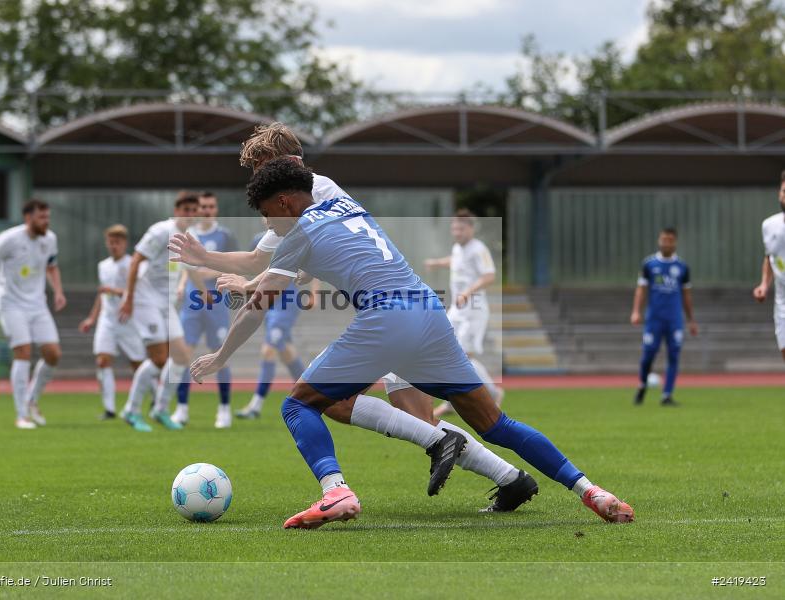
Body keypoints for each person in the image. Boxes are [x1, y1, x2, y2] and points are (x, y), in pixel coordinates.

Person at [175, 158, 634, 529]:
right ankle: (592, 491)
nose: (268, 224)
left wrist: (221, 356)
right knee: (496, 423)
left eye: (266, 213)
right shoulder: (342, 201)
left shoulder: (295, 231)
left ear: (284, 201)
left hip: (386, 319)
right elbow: (271, 258)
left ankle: (337, 491)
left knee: (298, 405)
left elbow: (258, 306)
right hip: (428, 313)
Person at [171, 122, 538, 513]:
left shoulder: (315, 189)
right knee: (407, 415)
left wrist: (253, 291)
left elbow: (291, 261)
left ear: (280, 162)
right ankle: (510, 479)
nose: (257, 176)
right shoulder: (286, 201)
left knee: (328, 403)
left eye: (259, 166)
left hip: (389, 311)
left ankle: (344, 488)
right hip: (393, 309)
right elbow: (262, 259)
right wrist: (209, 260)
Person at [0, 199, 65, 429]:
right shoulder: (8, 239)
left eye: (48, 217)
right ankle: (22, 415)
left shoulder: (50, 239)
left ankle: (32, 399)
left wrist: (58, 291)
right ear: (28, 218)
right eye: (41, 217)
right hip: (11, 304)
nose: (46, 221)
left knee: (53, 354)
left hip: (38, 304)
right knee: (23, 352)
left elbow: (52, 265)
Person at [118, 192, 198, 432]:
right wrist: (129, 297)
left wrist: (204, 291)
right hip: (145, 299)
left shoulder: (188, 238)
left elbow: (189, 269)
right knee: (159, 358)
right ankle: (131, 411)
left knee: (182, 356)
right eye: (186, 210)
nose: (190, 215)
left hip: (166, 304)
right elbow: (135, 261)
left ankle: (160, 409)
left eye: (194, 211)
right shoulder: (161, 231)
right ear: (176, 210)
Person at [225, 222, 318, 419]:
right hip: (267, 302)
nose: (267, 217)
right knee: (285, 351)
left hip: (287, 302)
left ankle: (256, 406)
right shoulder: (260, 240)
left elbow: (313, 263)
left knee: (269, 349)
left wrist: (314, 293)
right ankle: (312, 396)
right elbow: (249, 265)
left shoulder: (295, 237)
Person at [425, 209, 504, 417]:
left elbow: (489, 276)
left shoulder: (479, 249)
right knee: (447, 349)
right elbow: (455, 260)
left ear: (470, 228)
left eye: (460, 228)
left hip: (473, 309)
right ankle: (455, 400)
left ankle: (492, 393)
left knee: (462, 356)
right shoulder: (458, 249)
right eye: (454, 228)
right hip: (458, 308)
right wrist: (436, 263)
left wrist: (468, 292)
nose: (456, 232)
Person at [172, 191, 239, 428]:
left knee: (220, 356)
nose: (207, 210)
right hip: (192, 303)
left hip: (216, 303)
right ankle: (181, 409)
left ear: (216, 209)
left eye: (211, 206)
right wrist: (182, 285)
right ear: (197, 209)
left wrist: (210, 270)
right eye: (203, 206)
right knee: (182, 355)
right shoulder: (189, 236)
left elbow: (234, 266)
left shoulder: (225, 236)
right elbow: (184, 268)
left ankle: (224, 409)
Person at [78, 225, 147, 419]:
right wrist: (92, 317)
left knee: (138, 365)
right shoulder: (103, 265)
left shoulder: (132, 264)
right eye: (111, 242)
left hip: (127, 320)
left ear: (125, 243)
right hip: (107, 320)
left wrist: (114, 291)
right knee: (102, 360)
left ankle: (153, 400)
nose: (114, 246)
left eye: (117, 242)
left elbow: (137, 292)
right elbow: (102, 294)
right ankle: (109, 408)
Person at [630, 227, 698, 406]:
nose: (666, 243)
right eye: (663, 239)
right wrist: (636, 311)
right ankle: (642, 384)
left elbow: (686, 296)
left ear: (675, 242)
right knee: (648, 355)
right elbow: (641, 290)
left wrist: (691, 320)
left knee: (674, 355)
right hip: (654, 319)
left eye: (670, 240)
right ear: (659, 241)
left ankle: (666, 394)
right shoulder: (649, 264)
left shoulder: (682, 267)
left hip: (674, 319)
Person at [753, 170, 785, 363]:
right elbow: (770, 257)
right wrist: (764, 284)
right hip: (782, 302)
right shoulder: (769, 225)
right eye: (783, 191)